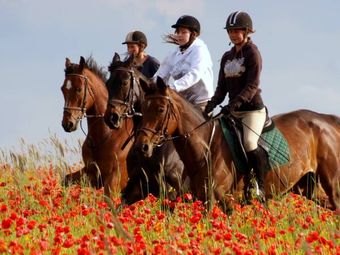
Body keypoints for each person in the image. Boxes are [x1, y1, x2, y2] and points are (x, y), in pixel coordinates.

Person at [204, 11, 267, 201]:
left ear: (247, 31)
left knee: (249, 142)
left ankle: (259, 185)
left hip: (252, 111)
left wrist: (234, 104)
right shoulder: (226, 57)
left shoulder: (253, 53)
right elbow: (221, 88)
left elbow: (252, 85)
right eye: (230, 31)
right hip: (233, 111)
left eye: (237, 30)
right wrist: (211, 105)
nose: (233, 34)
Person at [154, 15, 214, 111]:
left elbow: (194, 74)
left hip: (201, 102)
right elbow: (161, 75)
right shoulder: (173, 53)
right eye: (178, 32)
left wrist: (171, 88)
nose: (179, 35)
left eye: (184, 32)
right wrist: (151, 87)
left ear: (193, 34)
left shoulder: (200, 49)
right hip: (182, 101)